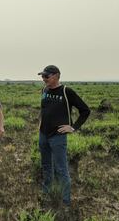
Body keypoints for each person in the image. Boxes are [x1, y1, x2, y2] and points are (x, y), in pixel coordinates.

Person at [38, 65, 90, 207]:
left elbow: (85, 110)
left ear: (56, 76)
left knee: (61, 169)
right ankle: (47, 192)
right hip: (43, 135)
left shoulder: (67, 92)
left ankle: (66, 201)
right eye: (42, 76)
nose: (43, 79)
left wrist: (73, 127)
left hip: (58, 137)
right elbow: (44, 109)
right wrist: (40, 124)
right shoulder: (44, 90)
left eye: (46, 76)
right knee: (46, 165)